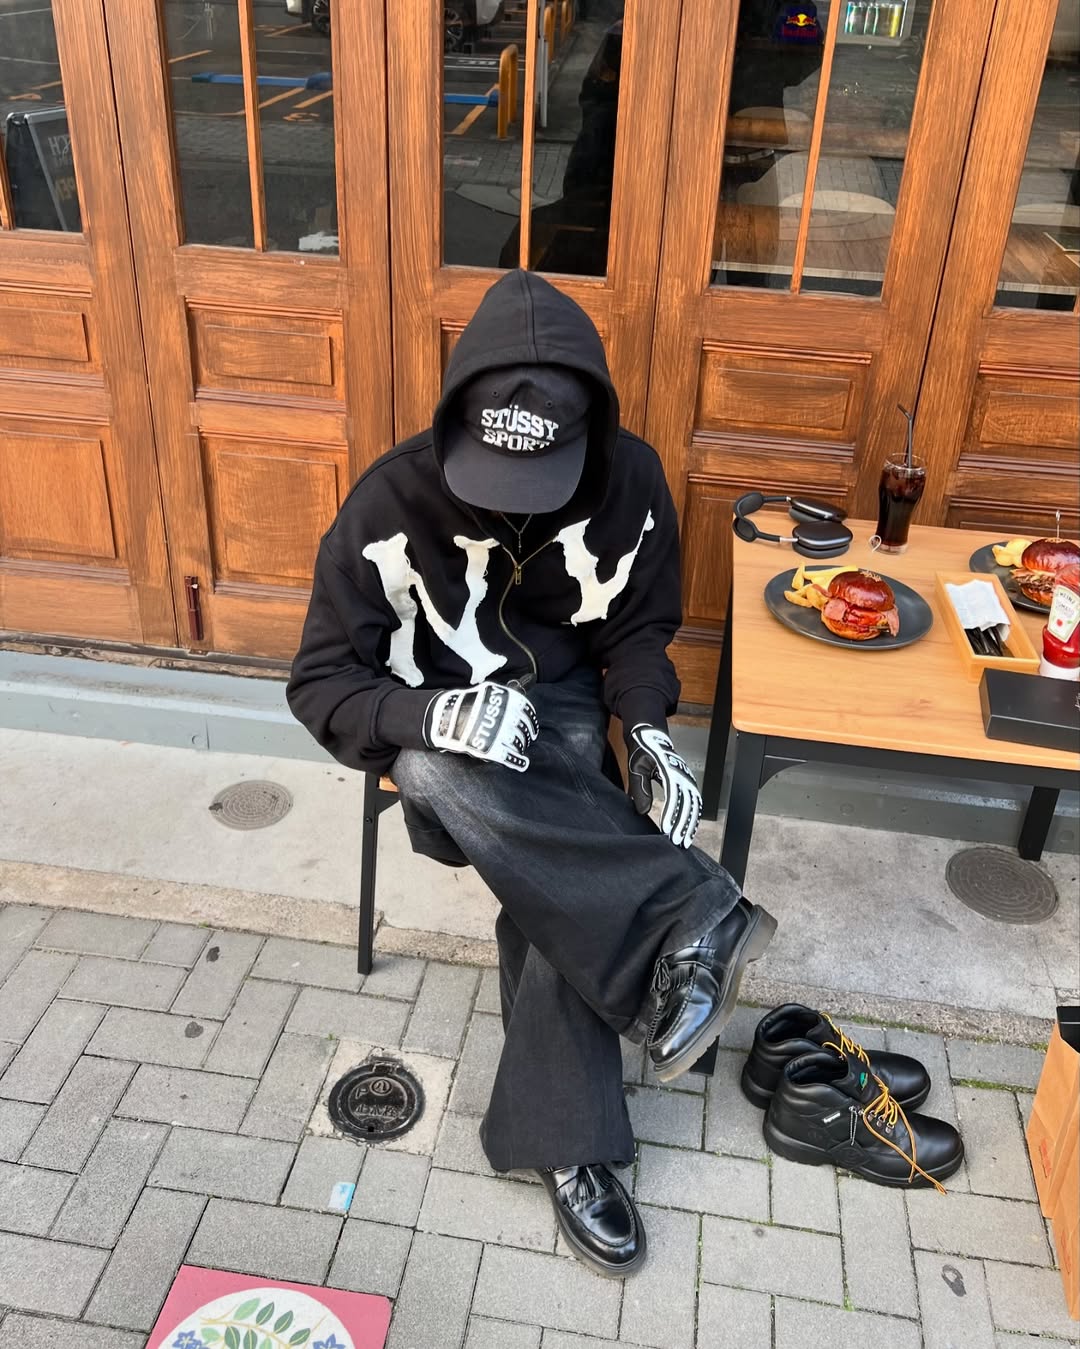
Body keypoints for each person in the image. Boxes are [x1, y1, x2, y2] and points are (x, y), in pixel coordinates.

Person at [287, 269, 777, 1278]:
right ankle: (690, 914)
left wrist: (648, 729)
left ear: (589, 430)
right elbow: (318, 679)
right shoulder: (389, 497)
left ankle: (569, 1140)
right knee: (436, 771)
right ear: (457, 418)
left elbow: (640, 629)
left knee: (556, 864)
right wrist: (426, 711)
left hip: (562, 713)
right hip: (439, 730)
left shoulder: (631, 480)